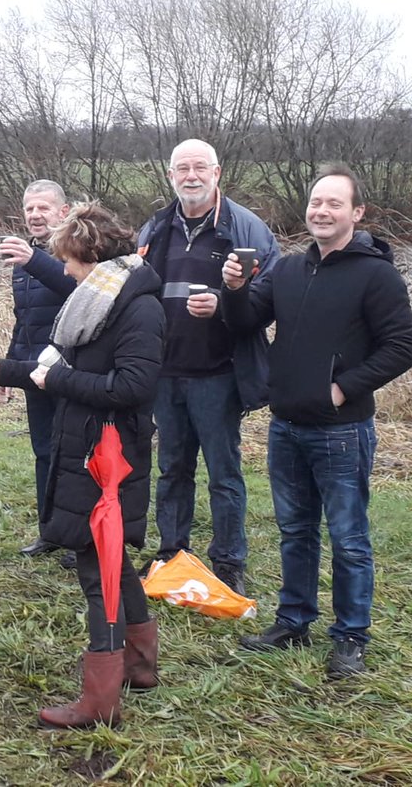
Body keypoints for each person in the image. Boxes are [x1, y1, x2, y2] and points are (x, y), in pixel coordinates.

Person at [222, 163, 412, 678]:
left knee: (348, 538)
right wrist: (237, 288)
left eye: (334, 203)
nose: (321, 211)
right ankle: (293, 621)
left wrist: (342, 389)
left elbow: (402, 348)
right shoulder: (288, 268)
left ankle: (351, 636)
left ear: (357, 213)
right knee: (295, 530)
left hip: (342, 430)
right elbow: (245, 322)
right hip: (285, 425)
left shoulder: (376, 274)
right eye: (316, 202)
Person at [0, 203, 164, 728]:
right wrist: (2, 371)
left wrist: (54, 384)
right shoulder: (94, 300)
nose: (65, 270)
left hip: (109, 456)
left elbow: (132, 387)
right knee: (111, 562)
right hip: (84, 445)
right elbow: (54, 363)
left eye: (70, 261)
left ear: (92, 254)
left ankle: (100, 698)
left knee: (95, 565)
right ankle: (140, 666)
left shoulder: (137, 307)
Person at [136, 138, 278, 595]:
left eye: (200, 167)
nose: (191, 176)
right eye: (183, 168)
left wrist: (222, 303)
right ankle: (171, 553)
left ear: (218, 173)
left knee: (223, 472)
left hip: (219, 372)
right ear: (170, 175)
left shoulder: (246, 228)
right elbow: (135, 293)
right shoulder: (154, 228)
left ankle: (228, 560)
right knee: (172, 468)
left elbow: (267, 298)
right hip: (165, 371)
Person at [0, 180, 75, 561]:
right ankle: (50, 532)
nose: (35, 215)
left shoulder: (77, 251)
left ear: (63, 212)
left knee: (74, 454)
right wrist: (9, 370)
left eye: (43, 208)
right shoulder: (22, 260)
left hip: (71, 371)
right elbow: (23, 320)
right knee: (43, 451)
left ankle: (80, 537)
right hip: (33, 369)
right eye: (29, 208)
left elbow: (76, 290)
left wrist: (33, 260)